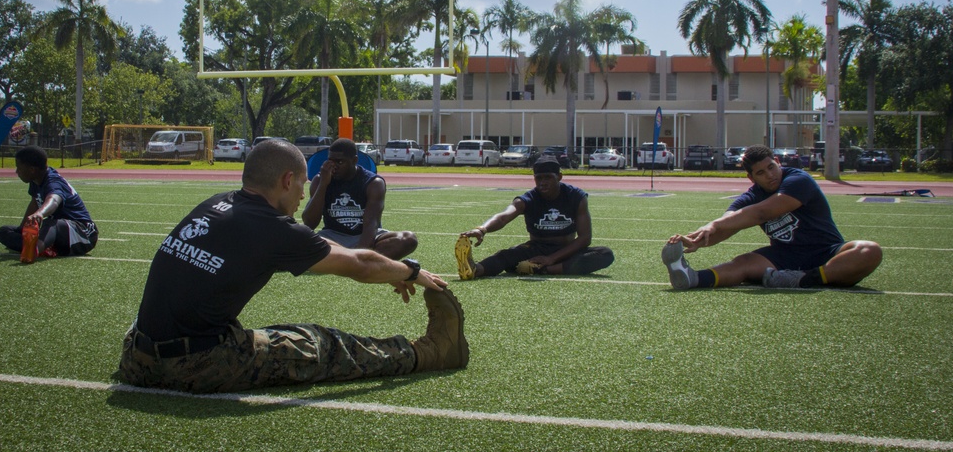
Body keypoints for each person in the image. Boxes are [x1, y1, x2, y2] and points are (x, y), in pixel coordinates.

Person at [117, 138, 467, 394]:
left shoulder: (217, 204)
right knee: (323, 344)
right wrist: (411, 271)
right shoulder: (270, 228)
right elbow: (358, 264)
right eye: (302, 184)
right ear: (287, 180)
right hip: (194, 365)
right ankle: (429, 353)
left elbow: (319, 243)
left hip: (136, 358)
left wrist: (389, 267)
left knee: (263, 331)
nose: (303, 195)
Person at [662, 144, 883, 289]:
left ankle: (806, 279)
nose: (770, 175)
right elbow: (730, 223)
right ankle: (692, 278)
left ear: (777, 161)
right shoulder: (751, 196)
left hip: (827, 251)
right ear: (751, 178)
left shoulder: (798, 180)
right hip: (784, 258)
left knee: (868, 250)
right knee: (744, 262)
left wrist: (716, 224)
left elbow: (761, 213)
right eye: (761, 173)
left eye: (771, 167)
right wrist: (699, 239)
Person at [455, 156, 615, 279]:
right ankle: (475, 270)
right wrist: (482, 229)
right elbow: (504, 216)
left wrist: (550, 259)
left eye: (548, 177)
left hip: (566, 250)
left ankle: (540, 269)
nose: (543, 183)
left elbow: (585, 238)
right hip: (536, 248)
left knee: (604, 254)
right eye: (539, 178)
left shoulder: (576, 197)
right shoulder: (529, 199)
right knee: (506, 256)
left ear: (559, 177)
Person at [302, 137, 417, 259]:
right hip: (332, 236)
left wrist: (359, 256)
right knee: (297, 240)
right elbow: (310, 223)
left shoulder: (373, 183)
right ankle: (366, 262)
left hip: (365, 236)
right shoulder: (320, 180)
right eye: (331, 161)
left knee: (408, 239)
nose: (334, 167)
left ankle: (344, 261)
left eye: (340, 162)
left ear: (354, 160)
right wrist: (323, 184)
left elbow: (371, 224)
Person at [0, 146, 98, 263]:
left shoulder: (53, 181)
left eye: (19, 167)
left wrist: (40, 213)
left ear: (32, 169)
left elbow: (54, 200)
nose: (16, 171)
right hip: (58, 235)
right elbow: (35, 202)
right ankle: (44, 247)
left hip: (84, 234)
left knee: (51, 224)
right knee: (4, 231)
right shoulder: (36, 180)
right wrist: (22, 229)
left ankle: (33, 251)